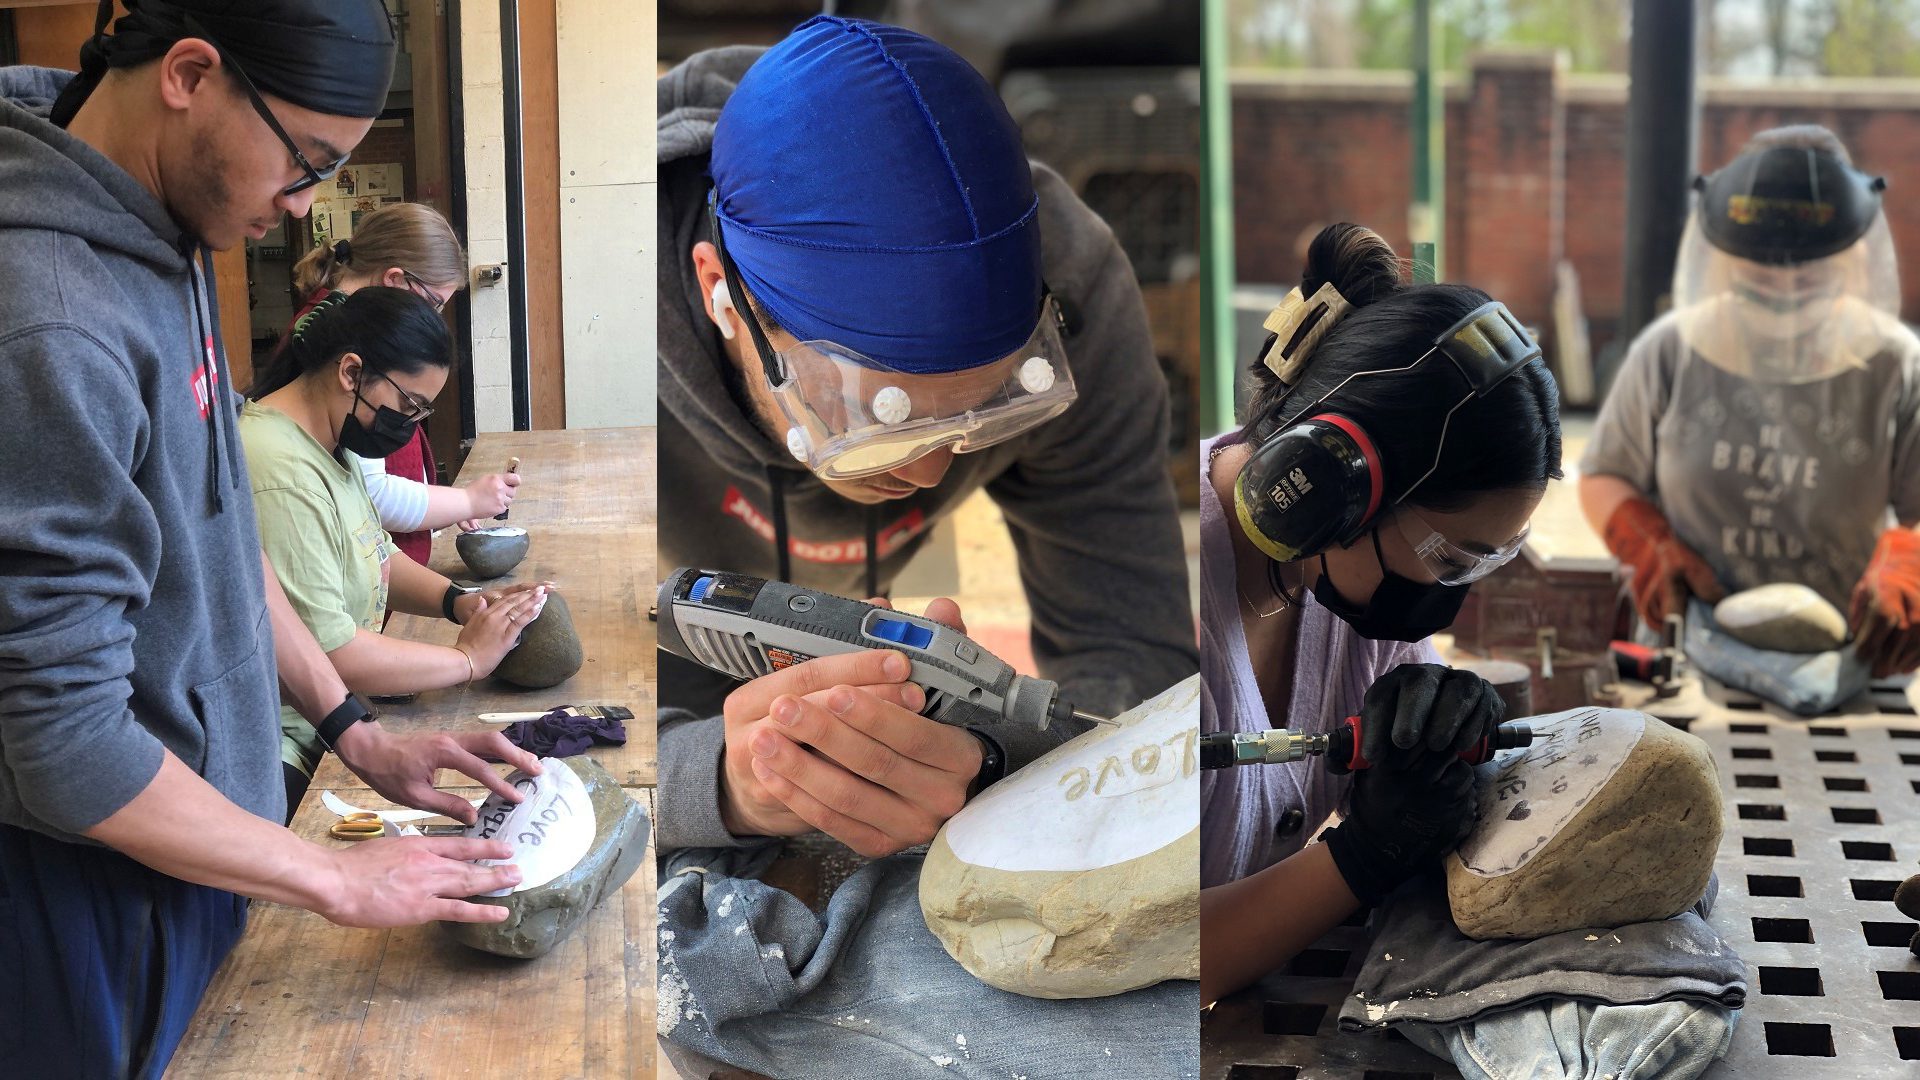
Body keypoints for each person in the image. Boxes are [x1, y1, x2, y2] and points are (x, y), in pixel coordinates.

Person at [654, 17, 1199, 1077]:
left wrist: (999, 751)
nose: (932, 472)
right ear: (724, 294)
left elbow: (1136, 660)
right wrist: (717, 779)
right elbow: (540, 735)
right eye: (879, 417)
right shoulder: (593, 309)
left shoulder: (1076, 284)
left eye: (981, 418)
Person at [0, 5, 539, 1075]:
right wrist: (333, 878)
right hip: (92, 878)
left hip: (208, 835)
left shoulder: (164, 219)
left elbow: (215, 534)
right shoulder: (50, 318)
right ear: (191, 74)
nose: (303, 211)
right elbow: (66, 746)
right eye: (306, 167)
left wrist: (355, 730)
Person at [1197, 223, 1564, 1004]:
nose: (1454, 591)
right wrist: (1357, 858)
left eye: (1487, 560)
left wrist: (1440, 744)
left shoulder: (1336, 580)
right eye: (1452, 558)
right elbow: (1138, 957)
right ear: (1331, 487)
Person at [1581, 125, 1920, 678]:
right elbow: (1604, 474)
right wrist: (1647, 542)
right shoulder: (1671, 350)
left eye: (1808, 276)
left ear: (1854, 256)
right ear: (1720, 256)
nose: (1785, 291)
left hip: (1847, 656)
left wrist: (1911, 566)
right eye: (1760, 278)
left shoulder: (1897, 364)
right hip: (1688, 648)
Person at [244, 287, 551, 808]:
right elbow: (329, 651)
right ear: (350, 372)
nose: (410, 426)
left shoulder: (326, 444)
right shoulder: (278, 468)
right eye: (408, 405)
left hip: (337, 722)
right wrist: (466, 661)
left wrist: (459, 601)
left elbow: (378, 553)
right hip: (287, 749)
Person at [288, 202, 520, 563]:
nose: (433, 318)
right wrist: (466, 501)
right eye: (434, 303)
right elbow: (370, 492)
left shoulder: (347, 324)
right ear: (395, 279)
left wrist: (447, 504)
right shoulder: (332, 339)